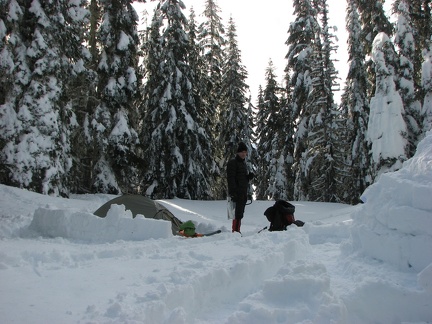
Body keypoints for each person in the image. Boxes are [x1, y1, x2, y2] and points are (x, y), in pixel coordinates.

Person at [227, 142, 253, 233]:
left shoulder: (243, 164)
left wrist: (248, 177)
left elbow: (241, 179)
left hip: (242, 193)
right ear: (237, 153)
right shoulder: (233, 163)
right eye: (241, 152)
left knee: (240, 213)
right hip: (236, 193)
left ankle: (237, 231)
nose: (243, 154)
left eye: (245, 152)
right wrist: (233, 192)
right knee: (236, 214)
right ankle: (235, 231)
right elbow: (231, 179)